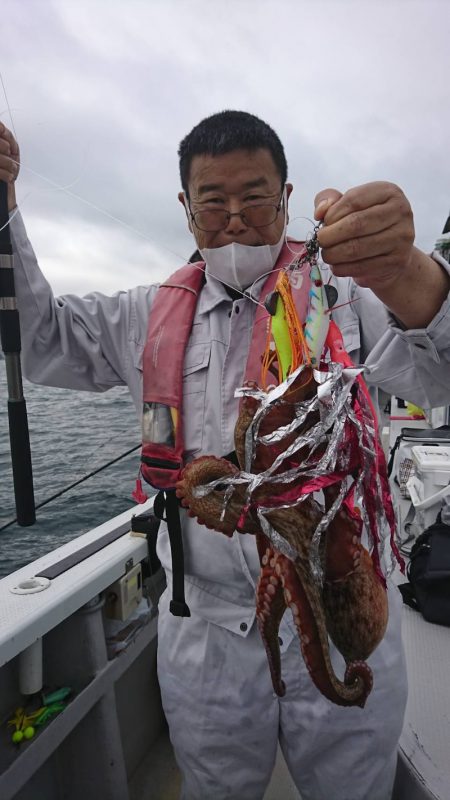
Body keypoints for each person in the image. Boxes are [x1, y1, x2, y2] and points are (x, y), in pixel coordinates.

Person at [1, 111, 450, 800]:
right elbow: (40, 340)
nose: (235, 216)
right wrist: (3, 214)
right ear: (185, 209)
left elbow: (437, 376)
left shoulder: (347, 297)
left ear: (288, 197)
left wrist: (407, 271)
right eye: (213, 199)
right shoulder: (145, 314)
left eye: (256, 195)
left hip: (338, 603)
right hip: (204, 632)